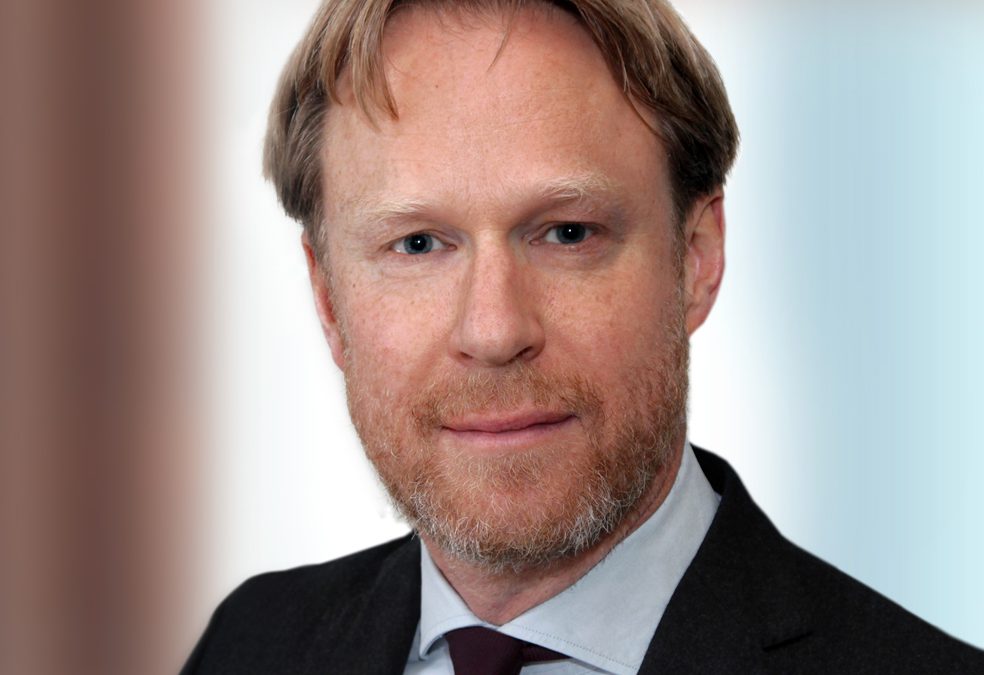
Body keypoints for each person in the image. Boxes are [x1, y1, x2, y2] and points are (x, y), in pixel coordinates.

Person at [184, 1, 984, 672]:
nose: (494, 330)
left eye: (568, 232)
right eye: (418, 244)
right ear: (327, 297)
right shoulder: (253, 642)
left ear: (696, 258)